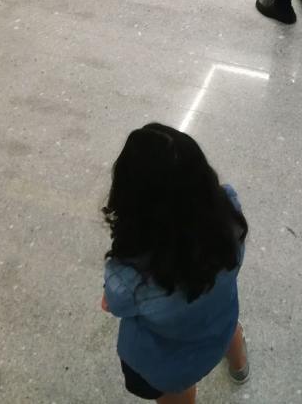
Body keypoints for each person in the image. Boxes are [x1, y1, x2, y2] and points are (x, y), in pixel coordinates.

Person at [102, 123, 249, 403]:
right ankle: (239, 367)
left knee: (178, 393)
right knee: (231, 331)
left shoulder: (129, 277)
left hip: (171, 361)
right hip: (221, 320)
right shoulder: (229, 211)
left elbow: (114, 305)